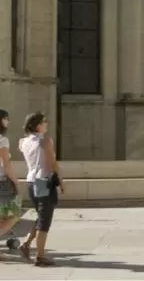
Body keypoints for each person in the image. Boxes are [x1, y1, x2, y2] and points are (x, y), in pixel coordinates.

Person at [18, 112, 63, 267]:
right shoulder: (45, 140)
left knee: (40, 216)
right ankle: (40, 256)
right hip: (43, 181)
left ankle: (26, 244)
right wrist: (61, 181)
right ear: (38, 125)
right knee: (45, 221)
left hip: (31, 180)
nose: (47, 124)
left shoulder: (23, 142)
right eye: (44, 122)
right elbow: (52, 163)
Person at [0, 110, 22, 244]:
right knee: (14, 214)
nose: (8, 121)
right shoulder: (2, 140)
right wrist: (16, 181)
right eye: (6, 118)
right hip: (2, 182)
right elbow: (6, 165)